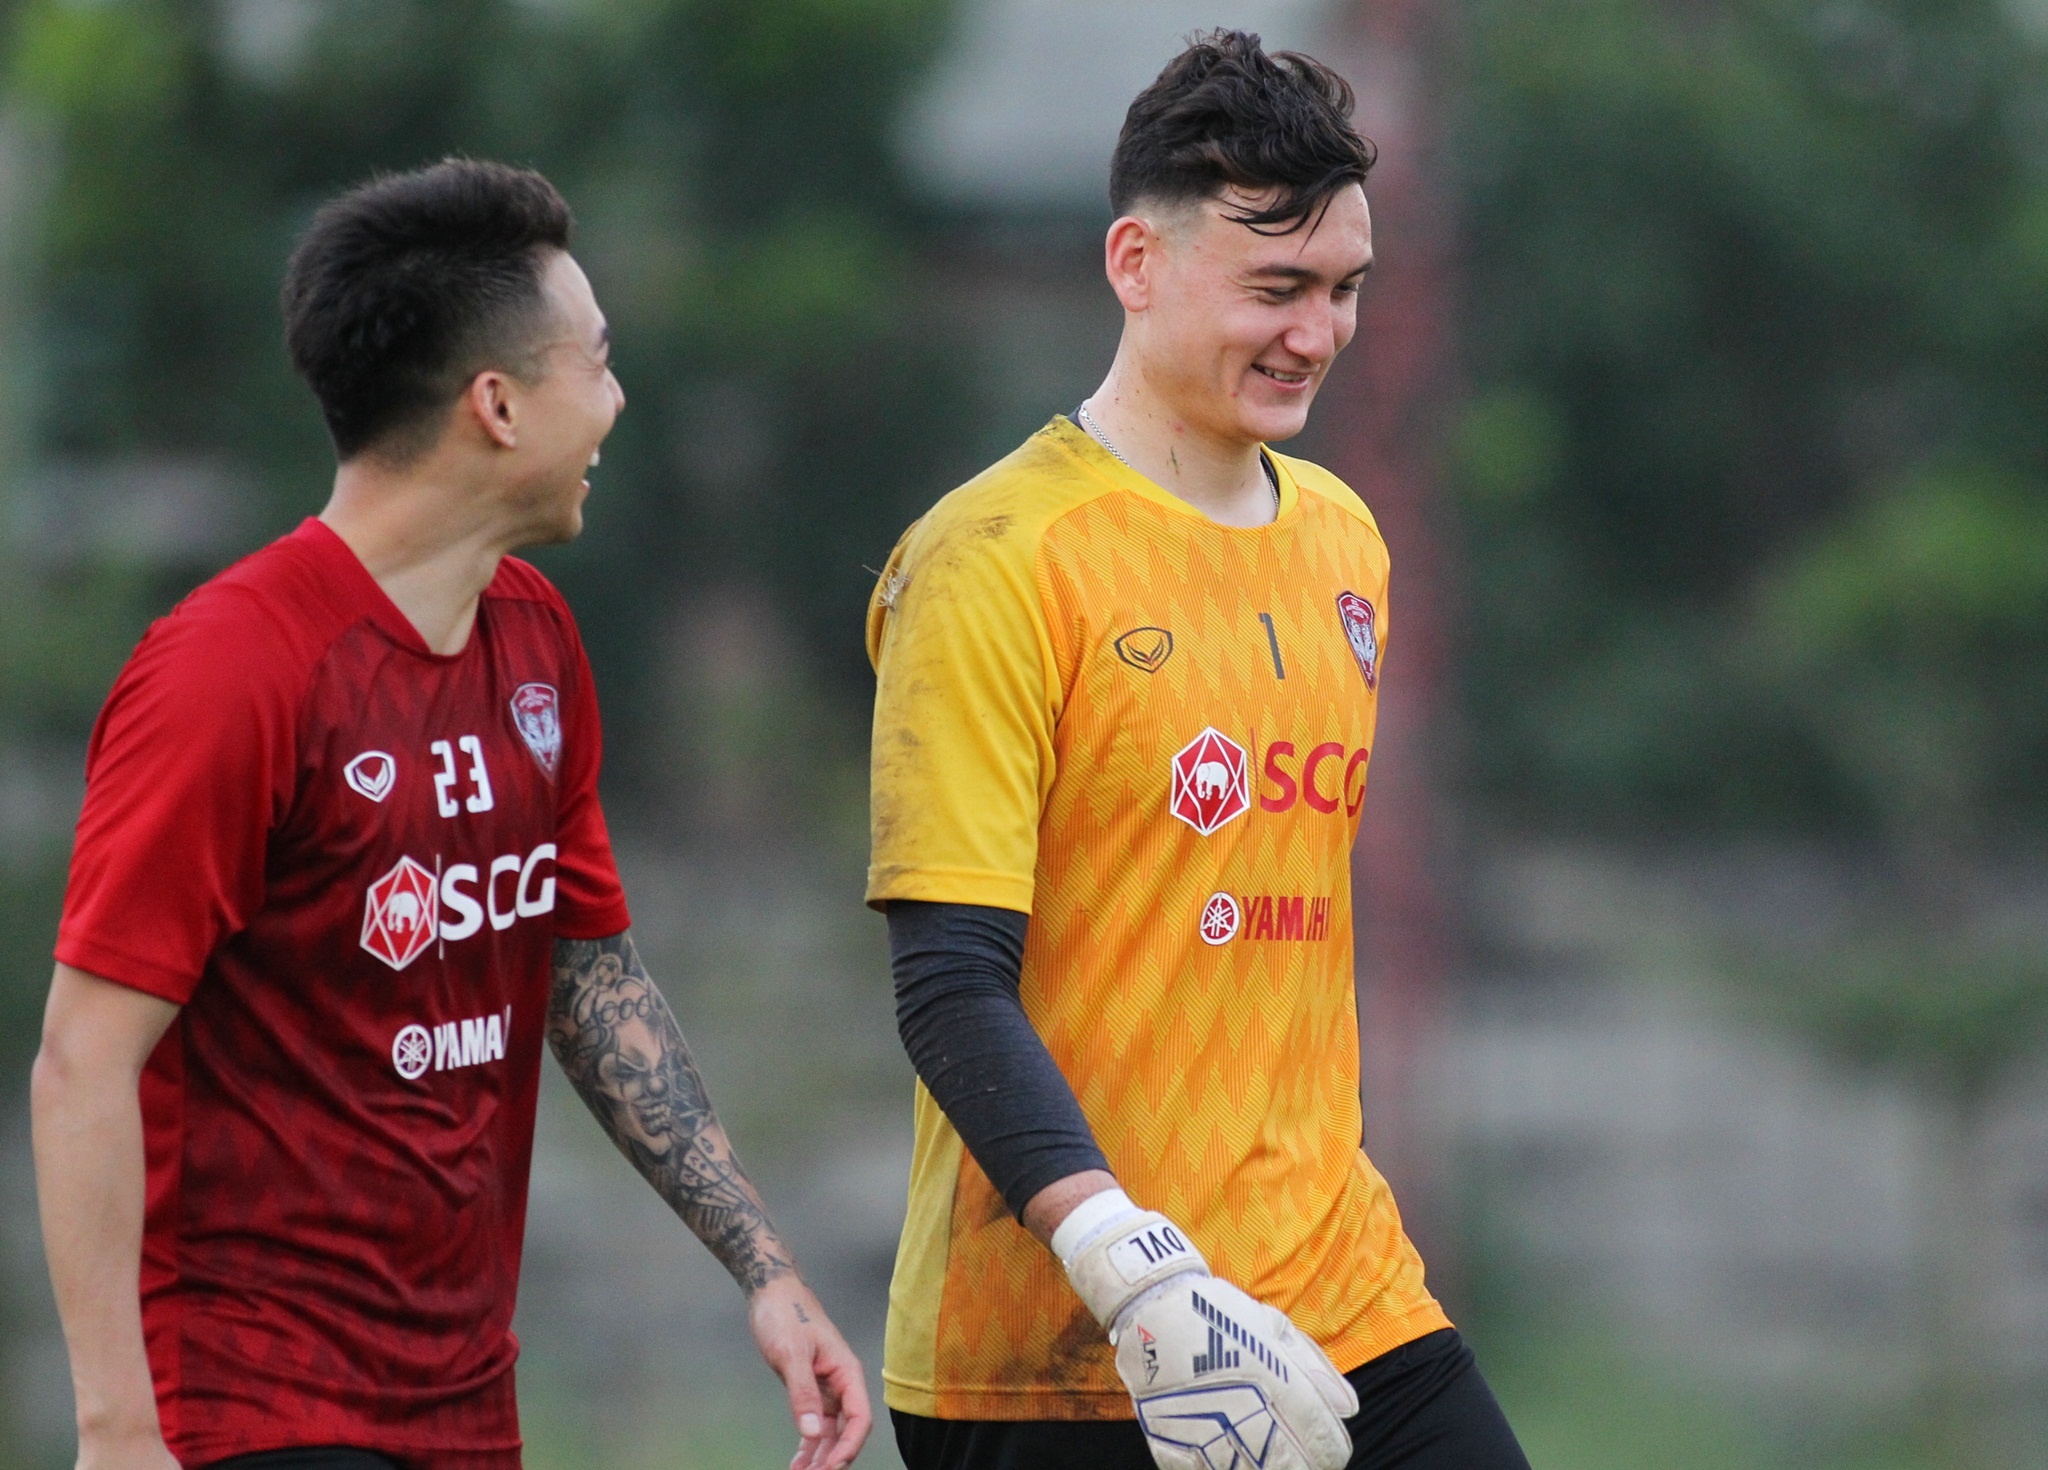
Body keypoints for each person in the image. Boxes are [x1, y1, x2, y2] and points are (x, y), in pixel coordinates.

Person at [32, 159, 869, 1470]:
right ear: (497, 405)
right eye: (596, 362)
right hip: (252, 1411)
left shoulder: (535, 642)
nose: (619, 399)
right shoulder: (230, 669)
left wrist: (764, 1268)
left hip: (466, 1409)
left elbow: (587, 974)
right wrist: (115, 1428)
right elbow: (81, 1058)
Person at [864, 33, 1530, 1470]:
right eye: (1276, 287)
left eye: (1346, 289)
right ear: (1135, 263)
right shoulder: (994, 557)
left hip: (1339, 1292)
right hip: (1067, 1345)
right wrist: (1137, 1272)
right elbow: (948, 988)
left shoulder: (1346, 537)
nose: (1319, 331)